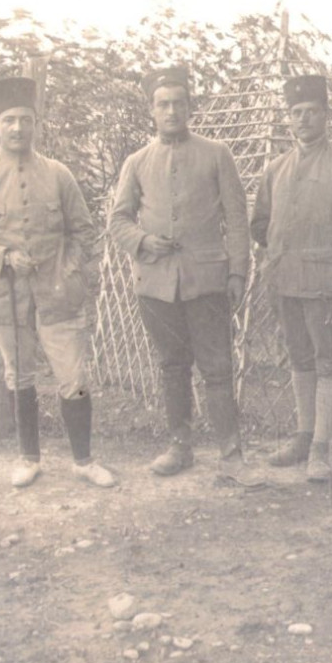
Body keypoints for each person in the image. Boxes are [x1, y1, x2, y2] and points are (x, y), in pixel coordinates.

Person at [0, 76, 116, 489]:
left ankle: (84, 460)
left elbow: (84, 231)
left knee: (73, 377)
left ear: (36, 124)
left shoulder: (59, 175)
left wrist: (71, 270)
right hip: (5, 299)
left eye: (25, 119)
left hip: (58, 296)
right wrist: (3, 257)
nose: (17, 128)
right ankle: (28, 458)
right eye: (9, 120)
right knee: (18, 375)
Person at [109, 65, 259, 485]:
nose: (171, 111)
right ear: (152, 111)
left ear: (190, 107)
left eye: (178, 103)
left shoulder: (217, 153)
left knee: (217, 367)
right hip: (156, 284)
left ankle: (231, 453)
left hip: (207, 281)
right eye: (163, 104)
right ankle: (180, 445)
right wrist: (142, 241)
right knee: (172, 366)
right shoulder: (136, 162)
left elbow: (237, 218)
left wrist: (237, 273)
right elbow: (118, 220)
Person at [250, 75, 332, 482]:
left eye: (311, 112)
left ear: (326, 116)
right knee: (300, 359)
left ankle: (321, 446)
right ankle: (303, 437)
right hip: (286, 285)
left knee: (328, 362)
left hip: (326, 289)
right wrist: (272, 264)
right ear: (288, 118)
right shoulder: (275, 169)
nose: (303, 120)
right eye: (296, 113)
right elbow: (261, 224)